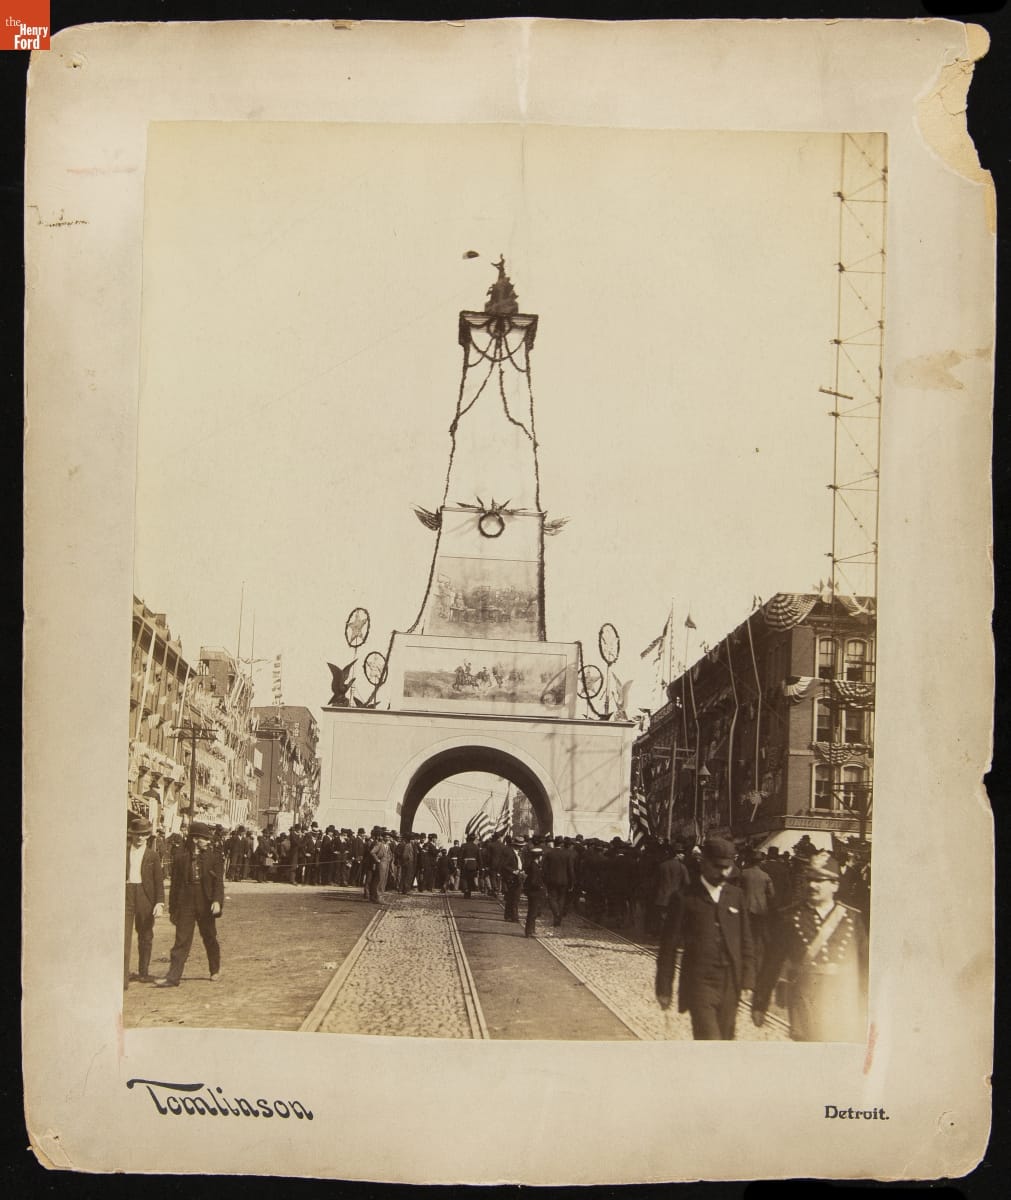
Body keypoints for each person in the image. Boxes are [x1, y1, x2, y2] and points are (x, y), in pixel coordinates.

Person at [752, 851, 868, 1042]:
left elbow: (865, 964)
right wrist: (760, 1003)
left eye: (819, 880)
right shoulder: (790, 917)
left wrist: (868, 1004)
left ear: (835, 885)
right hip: (805, 999)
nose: (812, 885)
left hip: (843, 998)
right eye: (810, 879)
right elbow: (772, 962)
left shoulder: (852, 918)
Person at [655, 835, 755, 1040]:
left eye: (728, 867)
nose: (723, 873)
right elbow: (668, 946)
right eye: (718, 866)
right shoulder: (684, 898)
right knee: (709, 1037)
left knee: (726, 1038)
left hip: (730, 981)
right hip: (699, 981)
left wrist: (748, 979)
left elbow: (746, 939)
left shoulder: (736, 895)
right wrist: (664, 987)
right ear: (704, 863)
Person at [157, 821, 224, 987]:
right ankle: (173, 977)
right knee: (181, 940)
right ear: (195, 839)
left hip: (205, 901)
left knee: (209, 937)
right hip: (185, 902)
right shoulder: (181, 858)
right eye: (204, 839)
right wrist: (173, 910)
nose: (208, 842)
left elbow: (218, 883)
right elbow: (175, 886)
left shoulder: (213, 857)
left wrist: (217, 901)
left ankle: (214, 969)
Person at [125, 814, 164, 987]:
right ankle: (122, 974)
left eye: (143, 834)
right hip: (127, 893)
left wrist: (159, 902)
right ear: (131, 834)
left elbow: (158, 881)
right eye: (137, 834)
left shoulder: (152, 856)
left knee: (145, 935)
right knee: (124, 935)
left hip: (145, 895)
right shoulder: (123, 852)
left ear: (148, 836)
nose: (140, 838)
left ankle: (143, 972)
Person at [542, 836, 574, 927]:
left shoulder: (549, 853)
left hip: (551, 880)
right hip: (564, 880)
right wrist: (572, 882)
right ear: (562, 844)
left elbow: (544, 868)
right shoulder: (567, 854)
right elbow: (570, 870)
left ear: (554, 843)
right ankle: (558, 915)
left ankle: (556, 913)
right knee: (561, 898)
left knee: (552, 898)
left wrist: (544, 880)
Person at [522, 844, 547, 937]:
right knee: (533, 912)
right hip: (535, 892)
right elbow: (533, 881)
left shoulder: (533, 865)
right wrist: (540, 887)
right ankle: (529, 931)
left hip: (533, 892)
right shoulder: (534, 866)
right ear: (539, 856)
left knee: (533, 912)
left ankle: (531, 930)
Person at [501, 836, 525, 922]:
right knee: (514, 898)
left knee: (512, 898)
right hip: (511, 877)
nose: (521, 848)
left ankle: (508, 915)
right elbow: (504, 865)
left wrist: (522, 871)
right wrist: (513, 871)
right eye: (519, 846)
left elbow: (522, 864)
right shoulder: (509, 853)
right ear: (515, 845)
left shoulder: (520, 854)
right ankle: (514, 917)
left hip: (519, 877)